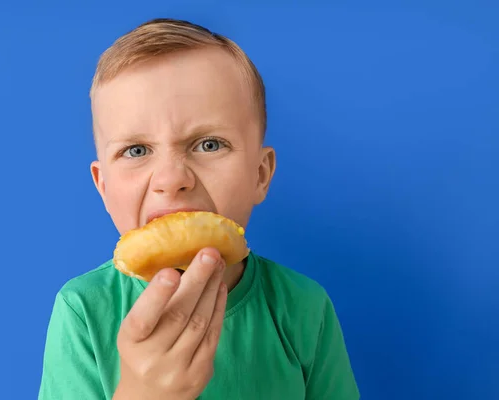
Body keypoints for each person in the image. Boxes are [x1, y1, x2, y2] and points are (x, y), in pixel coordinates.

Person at [38, 18, 360, 400]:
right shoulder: (83, 310)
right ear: (103, 187)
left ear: (260, 174)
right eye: (136, 151)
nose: (172, 178)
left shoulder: (304, 307)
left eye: (209, 144)